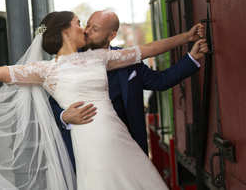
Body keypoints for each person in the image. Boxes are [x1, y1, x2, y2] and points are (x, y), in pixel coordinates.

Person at [0, 11, 207, 190]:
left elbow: (147, 50)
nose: (85, 28)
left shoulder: (102, 57)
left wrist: (187, 38)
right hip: (89, 142)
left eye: (90, 25)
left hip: (120, 136)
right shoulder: (45, 71)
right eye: (80, 23)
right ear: (65, 31)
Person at [49, 10, 205, 168]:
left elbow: (160, 81)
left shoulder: (126, 57)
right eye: (87, 25)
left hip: (127, 144)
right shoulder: (69, 60)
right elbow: (52, 103)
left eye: (94, 29)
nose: (87, 32)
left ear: (111, 36)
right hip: (86, 147)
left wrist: (191, 57)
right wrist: (64, 116)